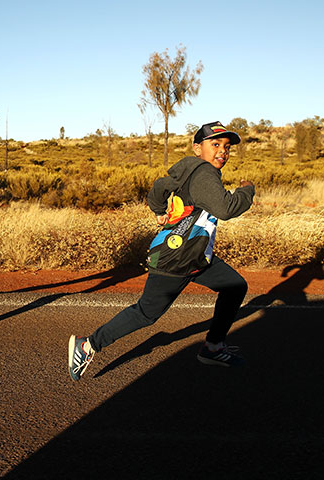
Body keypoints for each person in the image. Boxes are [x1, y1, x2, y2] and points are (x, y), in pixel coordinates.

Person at [68, 121, 255, 380]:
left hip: (195, 256)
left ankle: (213, 347)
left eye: (226, 146)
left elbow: (158, 188)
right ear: (197, 148)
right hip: (176, 259)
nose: (222, 151)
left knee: (235, 286)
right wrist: (247, 190)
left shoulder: (189, 171)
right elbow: (226, 209)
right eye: (215, 144)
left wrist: (158, 210)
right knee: (146, 313)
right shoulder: (204, 173)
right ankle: (87, 345)